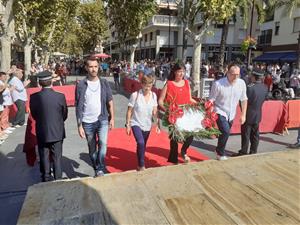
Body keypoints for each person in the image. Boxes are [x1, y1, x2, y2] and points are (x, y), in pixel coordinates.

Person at [75, 57, 114, 177]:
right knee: (92, 149)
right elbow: (78, 106)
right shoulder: (81, 85)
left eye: (95, 66)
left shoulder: (104, 83)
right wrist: (79, 125)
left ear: (99, 67)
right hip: (87, 122)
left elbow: (110, 101)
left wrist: (112, 118)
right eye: (91, 67)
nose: (93, 69)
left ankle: (100, 168)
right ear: (86, 68)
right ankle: (97, 167)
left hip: (102, 119)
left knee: (103, 144)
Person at [30, 71, 68, 182]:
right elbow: (64, 114)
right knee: (57, 157)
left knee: (44, 156)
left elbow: (34, 114)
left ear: (40, 83)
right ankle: (58, 178)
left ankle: (46, 177)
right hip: (57, 130)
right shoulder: (60, 96)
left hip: (42, 130)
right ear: (51, 81)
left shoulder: (34, 97)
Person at [158, 63, 197, 164]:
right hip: (173, 115)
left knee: (190, 134)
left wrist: (199, 104)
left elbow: (190, 98)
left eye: (183, 71)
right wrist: (168, 111)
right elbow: (160, 101)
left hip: (186, 114)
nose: (181, 73)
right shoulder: (169, 84)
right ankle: (173, 159)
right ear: (175, 72)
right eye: (179, 71)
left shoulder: (187, 83)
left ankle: (184, 151)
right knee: (175, 138)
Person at [209, 63, 248, 160]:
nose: (235, 77)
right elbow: (211, 99)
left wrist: (243, 115)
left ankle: (218, 149)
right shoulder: (218, 84)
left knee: (224, 132)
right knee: (226, 131)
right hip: (219, 110)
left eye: (237, 74)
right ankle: (220, 154)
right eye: (233, 74)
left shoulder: (241, 83)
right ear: (227, 73)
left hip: (232, 113)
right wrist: (208, 113)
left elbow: (244, 99)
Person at [125, 75, 160, 171]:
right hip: (136, 123)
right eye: (145, 85)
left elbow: (155, 109)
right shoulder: (135, 95)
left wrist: (157, 123)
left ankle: (139, 161)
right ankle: (141, 165)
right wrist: (128, 125)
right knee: (140, 142)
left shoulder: (154, 95)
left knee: (143, 145)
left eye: (149, 86)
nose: (147, 88)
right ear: (141, 84)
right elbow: (129, 111)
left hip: (147, 125)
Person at [236, 69, 268, 156]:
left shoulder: (249, 87)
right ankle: (253, 151)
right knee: (255, 134)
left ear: (254, 77)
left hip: (248, 113)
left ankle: (243, 151)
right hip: (258, 114)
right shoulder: (265, 87)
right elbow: (265, 99)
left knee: (246, 134)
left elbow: (243, 101)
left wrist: (243, 111)